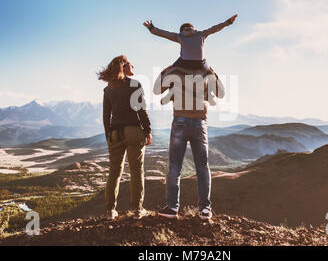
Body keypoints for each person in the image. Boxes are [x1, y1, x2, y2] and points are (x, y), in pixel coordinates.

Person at [153, 63, 225, 220]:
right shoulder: (206, 70)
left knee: (174, 167)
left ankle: (172, 208)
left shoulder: (175, 69)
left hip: (180, 121)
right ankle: (205, 209)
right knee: (202, 166)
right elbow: (221, 93)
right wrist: (213, 72)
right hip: (200, 122)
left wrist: (167, 69)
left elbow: (157, 89)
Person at [98, 55, 153, 220]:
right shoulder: (134, 85)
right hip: (134, 131)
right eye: (130, 64)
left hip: (115, 133)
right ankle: (137, 209)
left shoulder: (108, 89)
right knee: (136, 171)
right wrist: (148, 130)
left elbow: (106, 115)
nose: (134, 66)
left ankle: (110, 211)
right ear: (124, 67)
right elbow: (141, 110)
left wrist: (108, 134)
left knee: (114, 172)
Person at [143, 14, 238, 70]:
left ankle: (164, 87)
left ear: (181, 30)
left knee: (170, 69)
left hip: (184, 62)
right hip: (199, 63)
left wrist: (151, 28)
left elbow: (164, 33)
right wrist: (228, 22)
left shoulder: (179, 36)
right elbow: (215, 28)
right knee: (211, 71)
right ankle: (215, 89)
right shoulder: (202, 34)